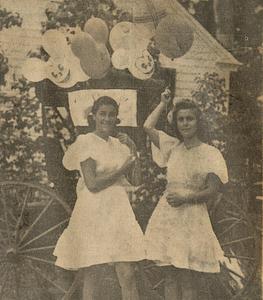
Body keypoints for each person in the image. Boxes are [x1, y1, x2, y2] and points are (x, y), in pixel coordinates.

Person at [53, 96, 145, 300]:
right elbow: (92, 184)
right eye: (102, 114)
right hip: (93, 210)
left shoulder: (119, 145)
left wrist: (133, 150)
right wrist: (123, 168)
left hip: (118, 210)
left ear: (117, 118)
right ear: (93, 116)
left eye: (112, 115)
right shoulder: (85, 142)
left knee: (127, 274)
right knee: (92, 273)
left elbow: (136, 180)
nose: (107, 119)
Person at [143, 89, 228, 300]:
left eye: (189, 119)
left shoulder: (210, 153)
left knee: (188, 279)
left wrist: (185, 198)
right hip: (168, 217)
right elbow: (147, 127)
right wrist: (163, 103)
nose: (185, 123)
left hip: (192, 217)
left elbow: (212, 190)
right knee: (170, 276)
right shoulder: (173, 147)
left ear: (198, 122)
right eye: (181, 119)